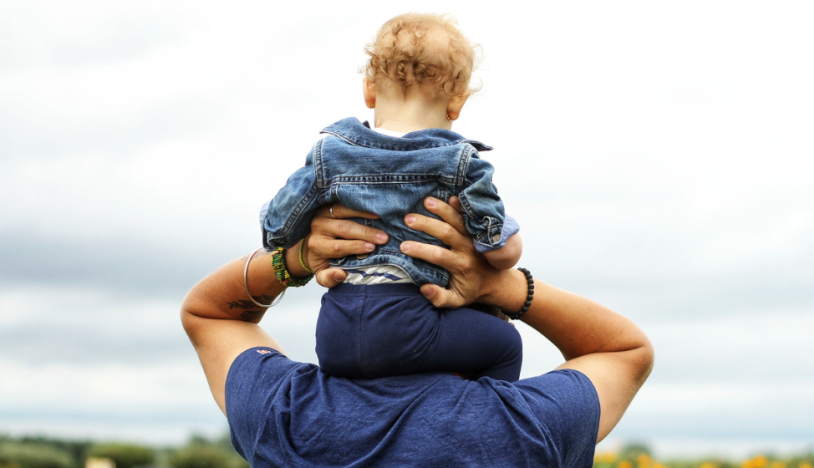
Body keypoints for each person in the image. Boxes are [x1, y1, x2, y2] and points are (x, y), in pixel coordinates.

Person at [181, 198, 654, 466]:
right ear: (486, 321)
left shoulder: (285, 414)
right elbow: (624, 349)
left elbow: (212, 314)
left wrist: (299, 257)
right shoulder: (527, 426)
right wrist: (503, 285)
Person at [258, 13, 524, 381]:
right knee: (505, 343)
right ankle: (486, 424)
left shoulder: (329, 154)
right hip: (412, 324)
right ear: (457, 103)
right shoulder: (460, 162)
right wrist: (506, 235)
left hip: (336, 332)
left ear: (369, 90)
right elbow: (499, 251)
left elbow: (277, 231)